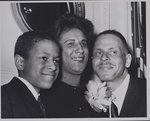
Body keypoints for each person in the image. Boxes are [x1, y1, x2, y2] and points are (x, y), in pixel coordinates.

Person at [41, 13, 94, 118]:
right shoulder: (44, 98)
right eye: (70, 44)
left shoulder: (96, 92)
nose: (80, 49)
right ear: (56, 51)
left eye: (83, 43)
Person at [1, 31, 61, 118]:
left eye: (56, 60)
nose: (53, 66)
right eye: (44, 58)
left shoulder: (45, 101)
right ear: (20, 62)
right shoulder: (4, 98)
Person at [90, 30, 146, 117]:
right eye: (99, 53)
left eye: (113, 52)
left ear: (127, 60)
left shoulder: (146, 92)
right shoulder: (87, 100)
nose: (104, 57)